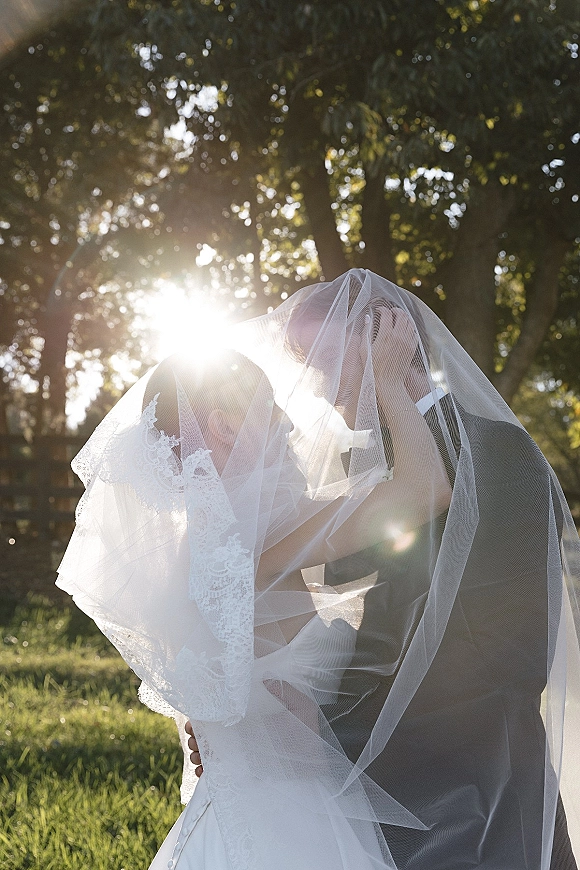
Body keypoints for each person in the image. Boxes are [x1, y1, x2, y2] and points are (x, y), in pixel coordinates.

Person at [182, 269, 580, 869]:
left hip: (439, 773)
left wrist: (311, 729)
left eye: (320, 361)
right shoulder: (474, 448)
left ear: (381, 340)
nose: (314, 388)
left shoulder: (490, 455)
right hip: (474, 764)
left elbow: (500, 622)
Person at [56, 314, 451, 870]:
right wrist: (387, 380)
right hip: (294, 825)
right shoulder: (256, 537)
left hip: (236, 815)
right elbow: (425, 488)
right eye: (271, 407)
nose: (290, 424)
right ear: (220, 427)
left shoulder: (194, 547)